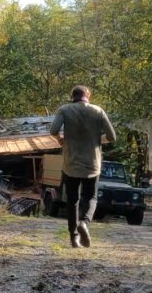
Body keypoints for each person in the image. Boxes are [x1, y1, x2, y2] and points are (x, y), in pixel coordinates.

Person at [49, 85, 116, 248]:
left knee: (72, 201)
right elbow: (112, 137)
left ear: (72, 96)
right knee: (91, 197)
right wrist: (97, 140)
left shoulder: (64, 110)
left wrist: (60, 140)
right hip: (92, 164)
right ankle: (85, 222)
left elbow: (53, 130)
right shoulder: (98, 111)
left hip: (70, 163)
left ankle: (74, 238)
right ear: (88, 96)